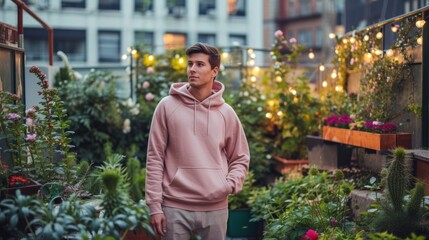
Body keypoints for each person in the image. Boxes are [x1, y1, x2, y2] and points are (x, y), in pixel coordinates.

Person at [145, 42, 250, 240]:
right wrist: (154, 206)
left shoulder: (226, 113)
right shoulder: (167, 107)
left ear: (214, 71)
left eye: (200, 64)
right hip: (174, 206)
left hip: (215, 207)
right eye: (190, 64)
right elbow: (155, 157)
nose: (192, 69)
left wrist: (228, 185)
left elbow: (240, 157)